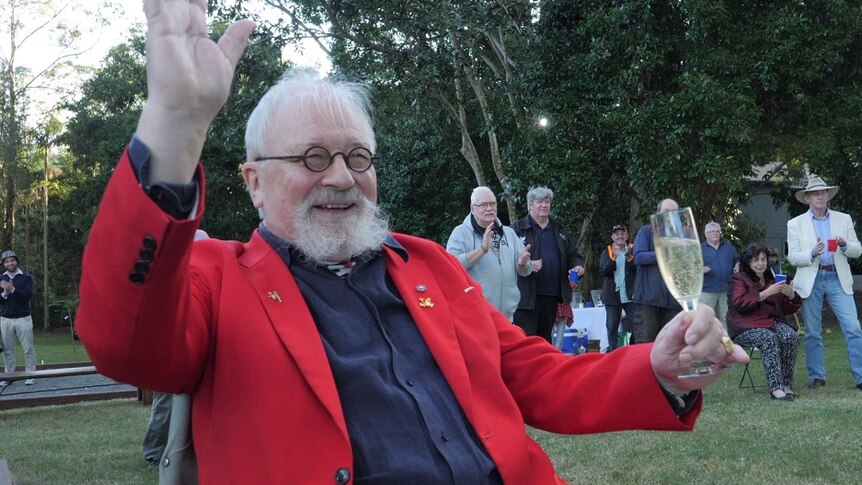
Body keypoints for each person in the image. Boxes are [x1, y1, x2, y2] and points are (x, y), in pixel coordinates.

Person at [75, 2, 748, 482]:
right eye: (312, 157)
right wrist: (175, 122)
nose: (341, 176)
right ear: (253, 182)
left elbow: (537, 375)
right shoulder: (216, 279)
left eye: (358, 157)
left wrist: (656, 368)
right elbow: (122, 340)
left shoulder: (426, 264)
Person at [142, 229, 209, 475]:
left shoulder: (202, 248)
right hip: (171, 343)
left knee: (190, 407)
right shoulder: (167, 262)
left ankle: (190, 453)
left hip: (197, 341)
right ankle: (153, 453)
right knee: (165, 406)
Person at [786, 175, 862, 391]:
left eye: (823, 192)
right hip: (812, 279)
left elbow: (858, 250)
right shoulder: (795, 224)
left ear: (827, 195)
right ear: (808, 198)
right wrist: (812, 253)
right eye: (815, 193)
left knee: (854, 328)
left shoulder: (843, 219)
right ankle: (817, 376)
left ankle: (861, 377)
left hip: (837, 277)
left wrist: (845, 244)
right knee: (812, 331)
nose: (820, 196)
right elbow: (792, 257)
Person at [727, 243, 801, 401]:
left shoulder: (773, 279)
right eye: (756, 260)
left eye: (763, 259)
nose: (760, 263)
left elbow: (786, 309)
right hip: (744, 326)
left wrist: (791, 296)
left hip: (770, 322)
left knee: (790, 336)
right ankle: (776, 388)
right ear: (748, 262)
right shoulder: (738, 279)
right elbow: (737, 303)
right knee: (768, 337)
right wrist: (764, 294)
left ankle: (786, 384)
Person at [446, 187, 532, 320]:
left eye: (492, 204)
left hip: (507, 318)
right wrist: (482, 249)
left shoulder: (509, 234)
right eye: (483, 205)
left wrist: (522, 264)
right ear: (472, 209)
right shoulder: (460, 233)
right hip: (474, 317)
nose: (489, 208)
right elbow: (451, 267)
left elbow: (525, 271)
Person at [512, 186, 585, 343]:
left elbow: (573, 255)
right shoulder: (517, 229)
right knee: (526, 342)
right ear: (530, 204)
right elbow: (505, 258)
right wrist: (527, 263)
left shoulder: (560, 230)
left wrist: (577, 266)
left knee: (544, 342)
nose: (544, 205)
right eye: (539, 202)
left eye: (547, 201)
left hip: (552, 296)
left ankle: (543, 368)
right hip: (525, 297)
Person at [632, 199, 682, 343]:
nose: (670, 215)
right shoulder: (646, 231)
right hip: (648, 302)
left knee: (670, 348)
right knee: (645, 348)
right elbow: (639, 257)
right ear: (658, 213)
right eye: (666, 212)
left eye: (674, 212)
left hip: (673, 303)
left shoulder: (681, 237)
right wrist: (664, 253)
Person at [0, 250, 36, 387]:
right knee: (8, 350)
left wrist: (13, 290)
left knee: (28, 348)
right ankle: (9, 375)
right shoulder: (1, 278)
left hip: (23, 319)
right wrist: (4, 293)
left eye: (12, 260)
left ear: (16, 261)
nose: (10, 263)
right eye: (6, 261)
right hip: (5, 319)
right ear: (4, 264)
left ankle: (30, 375)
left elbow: (28, 296)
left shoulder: (26, 277)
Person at [599, 224, 636, 351]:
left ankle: (633, 349)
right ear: (612, 237)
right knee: (611, 327)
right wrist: (613, 257)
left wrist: (629, 257)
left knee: (636, 323)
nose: (620, 236)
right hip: (612, 295)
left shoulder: (632, 250)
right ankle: (613, 352)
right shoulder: (607, 252)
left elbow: (637, 269)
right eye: (617, 234)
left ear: (626, 236)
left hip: (630, 294)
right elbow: (604, 271)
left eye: (622, 233)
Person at [700, 222, 739, 326]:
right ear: (706, 234)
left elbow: (737, 259)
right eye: (712, 231)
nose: (715, 233)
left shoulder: (728, 247)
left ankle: (725, 342)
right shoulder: (699, 248)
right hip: (707, 291)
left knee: (726, 320)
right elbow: (690, 267)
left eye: (717, 231)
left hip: (726, 290)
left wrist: (737, 265)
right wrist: (699, 269)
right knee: (705, 319)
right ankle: (707, 342)